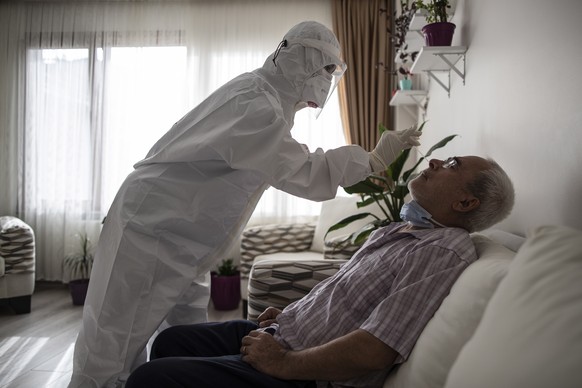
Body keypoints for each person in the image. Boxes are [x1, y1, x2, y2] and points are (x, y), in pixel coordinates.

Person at [69, 21, 422, 388]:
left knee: (185, 332)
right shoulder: (257, 104)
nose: (327, 81)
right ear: (301, 59)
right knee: (112, 341)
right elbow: (301, 170)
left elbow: (282, 163)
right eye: (326, 69)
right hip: (152, 227)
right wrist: (371, 159)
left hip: (180, 235)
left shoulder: (266, 100)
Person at [125, 155, 515, 388]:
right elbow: (346, 290)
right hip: (286, 332)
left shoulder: (442, 251)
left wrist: (283, 363)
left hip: (303, 371)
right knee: (170, 341)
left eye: (451, 165)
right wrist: (291, 311)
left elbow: (378, 348)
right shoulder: (403, 230)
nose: (434, 162)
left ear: (466, 201)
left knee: (150, 379)